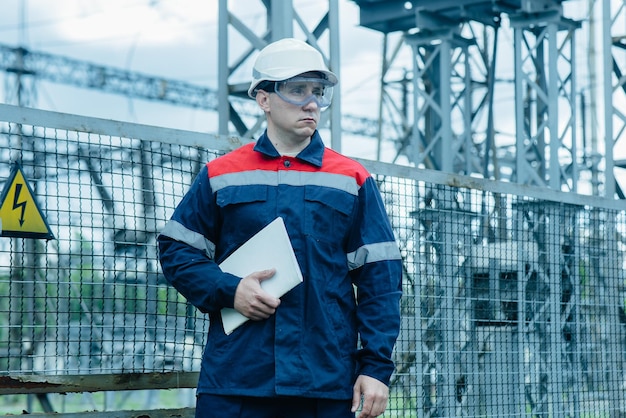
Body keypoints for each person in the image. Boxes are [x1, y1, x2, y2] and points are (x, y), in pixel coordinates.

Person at [157, 37, 403, 418]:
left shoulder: (351, 178)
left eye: (318, 92)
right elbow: (176, 251)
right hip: (237, 380)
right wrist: (230, 290)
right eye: (296, 90)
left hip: (324, 383)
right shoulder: (222, 175)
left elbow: (380, 280)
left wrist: (375, 368)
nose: (310, 103)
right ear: (264, 99)